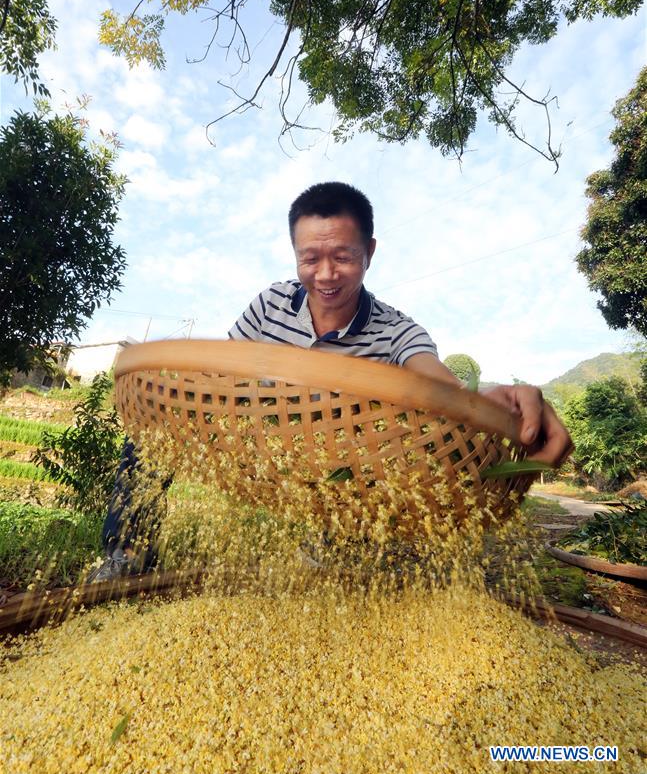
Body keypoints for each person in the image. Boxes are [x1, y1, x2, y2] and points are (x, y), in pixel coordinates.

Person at [88, 182, 572, 581]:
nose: (325, 275)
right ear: (295, 254)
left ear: (370, 253)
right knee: (148, 439)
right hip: (261, 444)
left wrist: (492, 399)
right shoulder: (271, 304)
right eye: (309, 259)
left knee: (344, 543)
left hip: (337, 476)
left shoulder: (396, 331)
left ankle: (331, 561)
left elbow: (441, 390)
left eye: (342, 257)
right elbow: (221, 376)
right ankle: (125, 556)